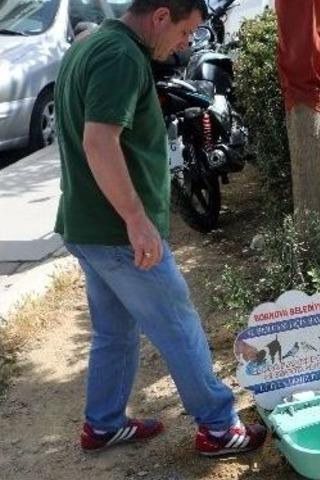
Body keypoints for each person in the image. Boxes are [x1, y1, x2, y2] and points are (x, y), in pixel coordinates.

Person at [54, 0, 267, 455]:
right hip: (116, 233)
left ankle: (104, 423)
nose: (185, 44)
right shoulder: (121, 57)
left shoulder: (94, 42)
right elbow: (99, 141)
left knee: (114, 332)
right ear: (161, 16)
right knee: (178, 323)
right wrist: (136, 220)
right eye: (186, 32)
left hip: (87, 225)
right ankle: (217, 427)